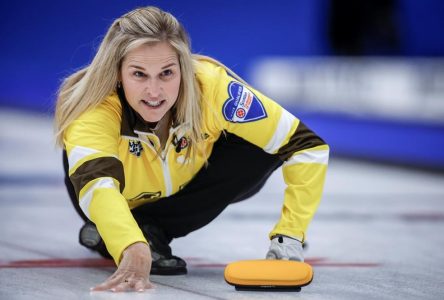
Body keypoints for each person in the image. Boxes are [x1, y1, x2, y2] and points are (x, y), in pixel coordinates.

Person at [54, 6, 329, 293]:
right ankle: (118, 230)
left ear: (183, 68)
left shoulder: (211, 88)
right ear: (118, 73)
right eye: (139, 74)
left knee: (263, 145)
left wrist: (290, 236)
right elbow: (96, 186)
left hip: (183, 191)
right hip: (112, 192)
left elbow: (307, 145)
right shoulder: (93, 108)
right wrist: (130, 244)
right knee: (103, 195)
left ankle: (151, 230)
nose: (154, 92)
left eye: (167, 73)